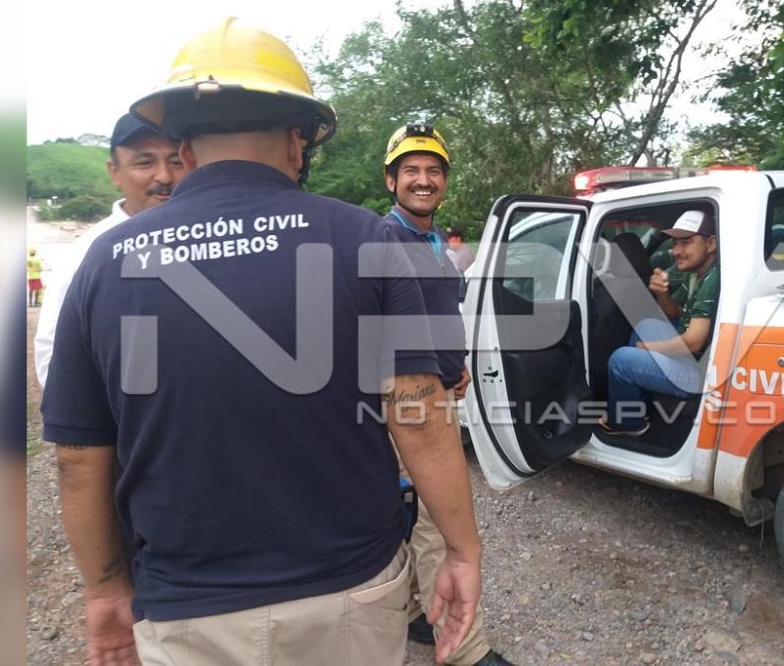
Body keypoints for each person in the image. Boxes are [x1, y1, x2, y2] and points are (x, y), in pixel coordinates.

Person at [41, 18, 481, 666]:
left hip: (184, 608)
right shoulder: (363, 238)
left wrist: (105, 589)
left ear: (185, 150)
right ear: (298, 141)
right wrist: (462, 550)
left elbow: (78, 459)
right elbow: (416, 414)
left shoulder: (106, 262)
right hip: (348, 592)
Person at [382, 123, 512, 666]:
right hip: (405, 402)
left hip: (435, 390)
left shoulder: (434, 242)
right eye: (411, 170)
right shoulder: (383, 240)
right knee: (437, 515)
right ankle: (466, 652)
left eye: (433, 170)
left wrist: (453, 366)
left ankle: (418, 611)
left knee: (410, 513)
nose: (423, 179)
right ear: (391, 181)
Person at [34, 112, 187, 387]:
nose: (165, 176)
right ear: (114, 172)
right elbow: (52, 359)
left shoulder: (216, 240)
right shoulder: (86, 254)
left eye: (176, 162)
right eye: (145, 162)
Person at [598, 209, 718, 436]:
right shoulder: (697, 274)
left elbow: (693, 342)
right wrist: (662, 293)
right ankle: (638, 405)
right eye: (675, 243)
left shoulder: (713, 279)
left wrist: (648, 348)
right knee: (645, 325)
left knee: (620, 360)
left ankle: (628, 423)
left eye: (686, 242)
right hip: (696, 358)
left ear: (711, 244)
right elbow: (674, 313)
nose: (676, 251)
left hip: (700, 374)